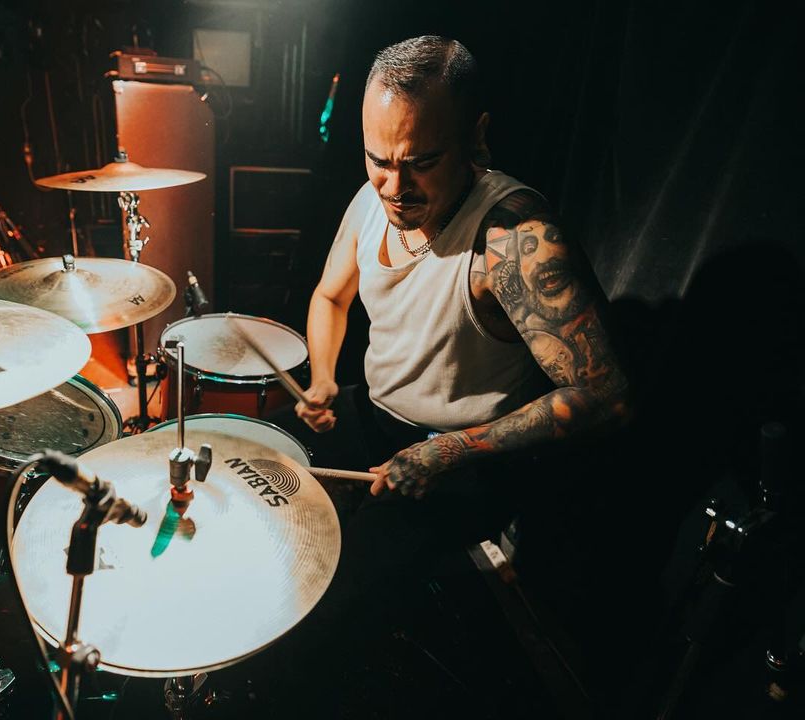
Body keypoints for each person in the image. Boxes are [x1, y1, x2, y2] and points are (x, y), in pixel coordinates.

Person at [266, 35, 631, 712]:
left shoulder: (514, 238)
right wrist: (321, 380)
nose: (395, 188)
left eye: (422, 163)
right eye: (379, 160)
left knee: (320, 600)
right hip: (373, 414)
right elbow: (330, 297)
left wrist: (448, 452)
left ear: (475, 137)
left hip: (468, 462)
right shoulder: (370, 200)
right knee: (243, 466)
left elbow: (605, 395)